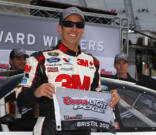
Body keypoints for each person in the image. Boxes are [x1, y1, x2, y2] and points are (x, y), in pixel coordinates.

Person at [17, 7, 120, 135]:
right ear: (60, 28)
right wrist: (37, 92)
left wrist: (110, 97)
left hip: (82, 129)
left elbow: (96, 97)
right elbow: (20, 98)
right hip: (51, 128)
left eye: (79, 25)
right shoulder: (39, 59)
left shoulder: (93, 62)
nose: (74, 29)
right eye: (68, 24)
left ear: (83, 30)